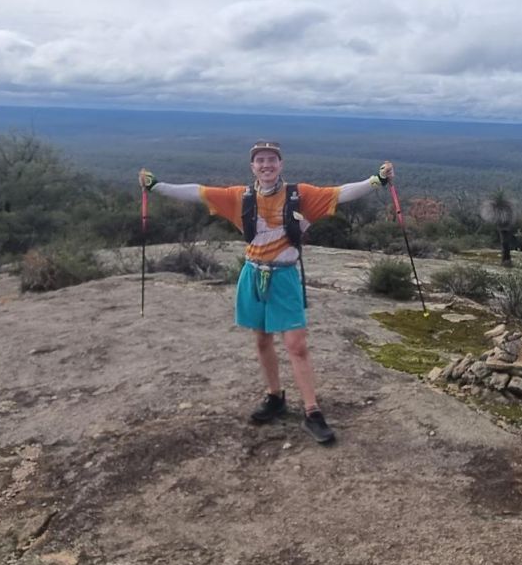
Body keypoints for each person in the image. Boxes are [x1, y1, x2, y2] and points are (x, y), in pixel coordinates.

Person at [140, 140, 393, 444]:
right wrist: (156, 186)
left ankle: (312, 411)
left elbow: (342, 192)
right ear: (252, 167)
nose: (266, 165)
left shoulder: (301, 196)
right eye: (260, 160)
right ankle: (275, 396)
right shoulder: (239, 197)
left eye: (272, 160)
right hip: (253, 273)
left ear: (280, 164)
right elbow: (196, 192)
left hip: (284, 277)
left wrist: (376, 181)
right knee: (261, 340)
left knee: (296, 345)